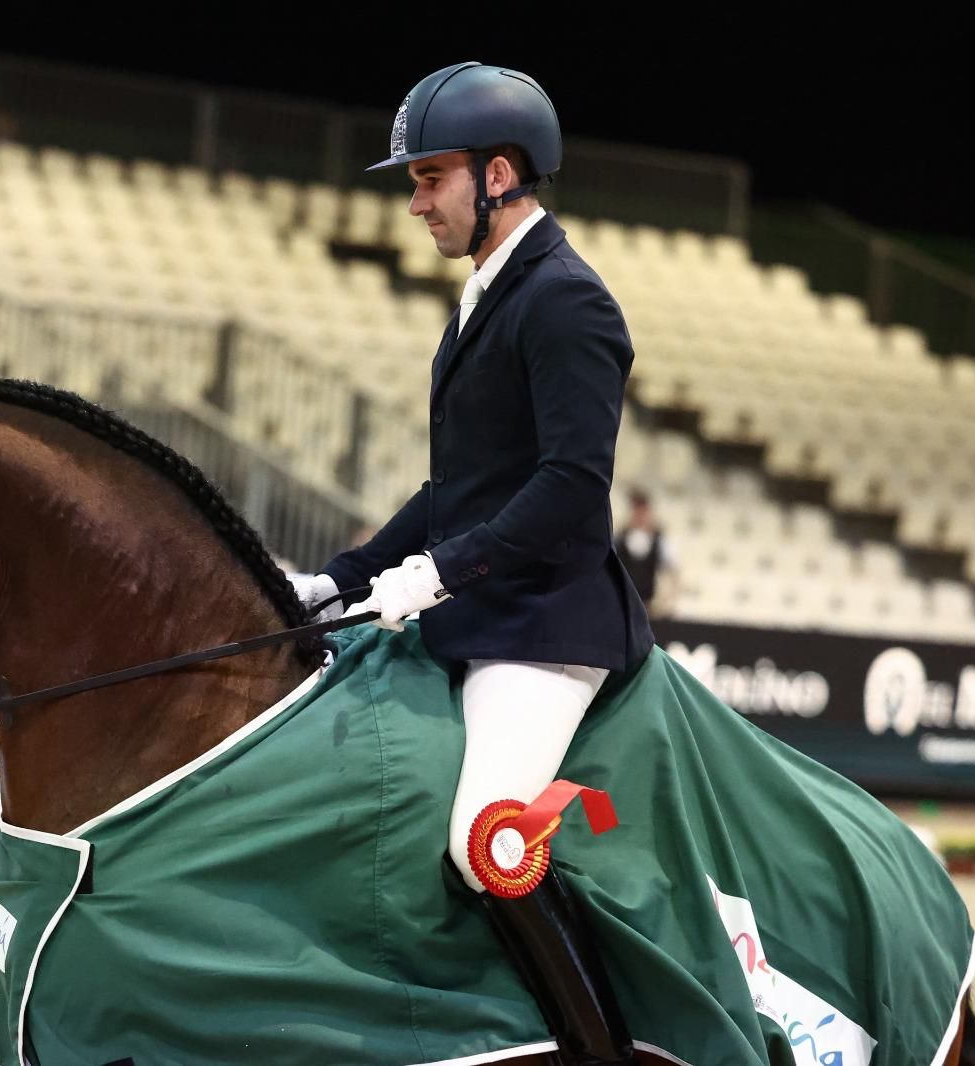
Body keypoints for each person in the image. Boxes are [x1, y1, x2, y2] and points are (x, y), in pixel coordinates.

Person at [291, 62, 653, 1063]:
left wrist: (441, 572)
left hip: (545, 623)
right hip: (485, 603)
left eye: (430, 178)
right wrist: (347, 576)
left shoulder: (566, 300)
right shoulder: (485, 297)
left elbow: (571, 484)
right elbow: (458, 486)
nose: (415, 204)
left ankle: (593, 1045)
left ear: (498, 175)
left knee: (484, 838)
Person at [614, 489, 678, 617]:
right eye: (637, 511)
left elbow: (673, 573)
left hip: (649, 606)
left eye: (643, 511)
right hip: (623, 604)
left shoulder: (660, 541)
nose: (640, 515)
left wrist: (666, 601)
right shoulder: (619, 540)